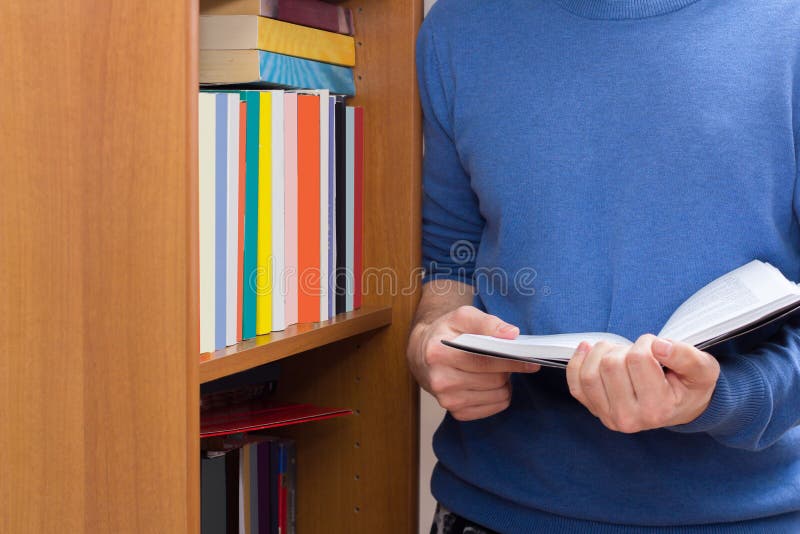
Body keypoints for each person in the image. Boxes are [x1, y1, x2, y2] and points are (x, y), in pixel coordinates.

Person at [407, 0, 800, 532]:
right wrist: (429, 344)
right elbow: (448, 260)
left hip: (752, 516)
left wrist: (724, 396)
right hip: (492, 509)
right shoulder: (457, 29)